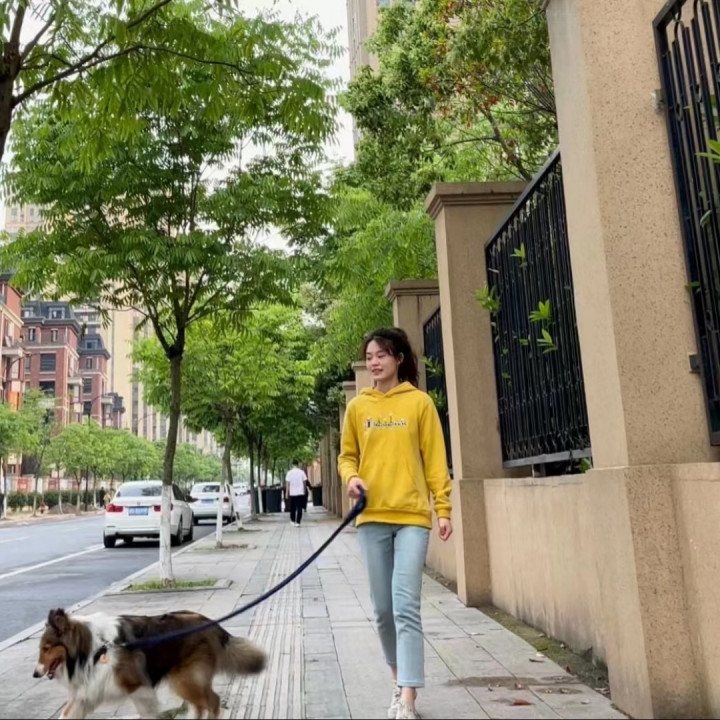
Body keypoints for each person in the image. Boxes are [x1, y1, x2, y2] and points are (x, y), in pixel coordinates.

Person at [338, 327, 453, 720]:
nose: (374, 362)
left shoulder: (419, 403)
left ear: (399, 359)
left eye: (382, 355)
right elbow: (346, 457)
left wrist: (443, 509)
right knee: (383, 611)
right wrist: (352, 477)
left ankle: (408, 696)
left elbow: (435, 461)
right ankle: (397, 678)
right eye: (369, 356)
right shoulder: (358, 408)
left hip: (412, 518)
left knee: (405, 605)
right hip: (371, 518)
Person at [285, 460, 308, 527]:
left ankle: (292, 520)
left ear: (292, 465)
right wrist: (304, 491)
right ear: (298, 464)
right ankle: (298, 522)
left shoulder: (289, 473)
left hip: (292, 493)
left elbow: (287, 483)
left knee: (292, 508)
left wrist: (286, 493)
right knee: (299, 508)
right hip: (300, 492)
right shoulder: (302, 472)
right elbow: (304, 482)